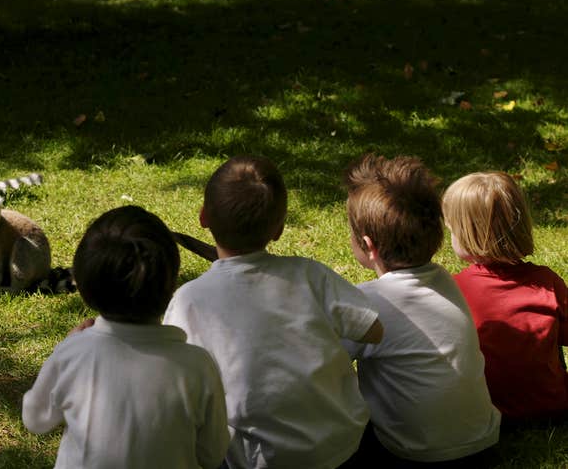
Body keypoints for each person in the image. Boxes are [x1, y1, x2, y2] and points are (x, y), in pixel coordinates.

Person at [163, 155, 384, 469]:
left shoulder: (189, 301)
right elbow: (374, 330)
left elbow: (177, 385)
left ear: (203, 217)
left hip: (260, 459)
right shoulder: (310, 275)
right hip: (344, 446)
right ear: (279, 228)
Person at [22, 205, 230, 469]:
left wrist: (64, 348)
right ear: (171, 286)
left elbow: (35, 419)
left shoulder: (74, 352)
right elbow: (212, 455)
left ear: (84, 287)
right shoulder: (198, 365)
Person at [342, 154, 501, 465]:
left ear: (367, 245)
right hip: (482, 446)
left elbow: (322, 361)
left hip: (413, 454)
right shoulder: (444, 279)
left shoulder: (367, 301)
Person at [442, 171, 568, 421]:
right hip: (553, 407)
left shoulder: (454, 289)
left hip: (486, 409)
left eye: (452, 229)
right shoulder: (547, 283)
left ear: (469, 234)